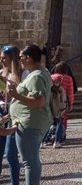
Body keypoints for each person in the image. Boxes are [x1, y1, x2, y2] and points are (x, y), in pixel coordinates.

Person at [6, 44, 52, 185]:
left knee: (29, 162)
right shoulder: (40, 73)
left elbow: (38, 102)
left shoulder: (36, 76)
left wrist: (15, 95)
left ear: (29, 58)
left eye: (21, 57)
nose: (19, 60)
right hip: (31, 122)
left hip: (30, 124)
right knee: (31, 161)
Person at [0, 45, 23, 185]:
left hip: (13, 115)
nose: (2, 60)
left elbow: (21, 98)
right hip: (1, 112)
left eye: (4, 58)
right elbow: (1, 97)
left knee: (10, 155)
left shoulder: (22, 75)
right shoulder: (2, 73)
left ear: (12, 59)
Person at [50, 62, 74, 144]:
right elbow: (70, 93)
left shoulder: (51, 77)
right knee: (61, 121)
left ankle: (47, 138)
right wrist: (71, 103)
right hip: (62, 102)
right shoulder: (68, 78)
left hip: (51, 102)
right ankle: (59, 139)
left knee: (50, 121)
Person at [46, 74, 67, 148]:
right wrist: (64, 109)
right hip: (59, 110)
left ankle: (44, 141)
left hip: (49, 110)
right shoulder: (61, 89)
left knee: (47, 126)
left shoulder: (49, 89)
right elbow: (63, 101)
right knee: (59, 125)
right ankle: (56, 141)